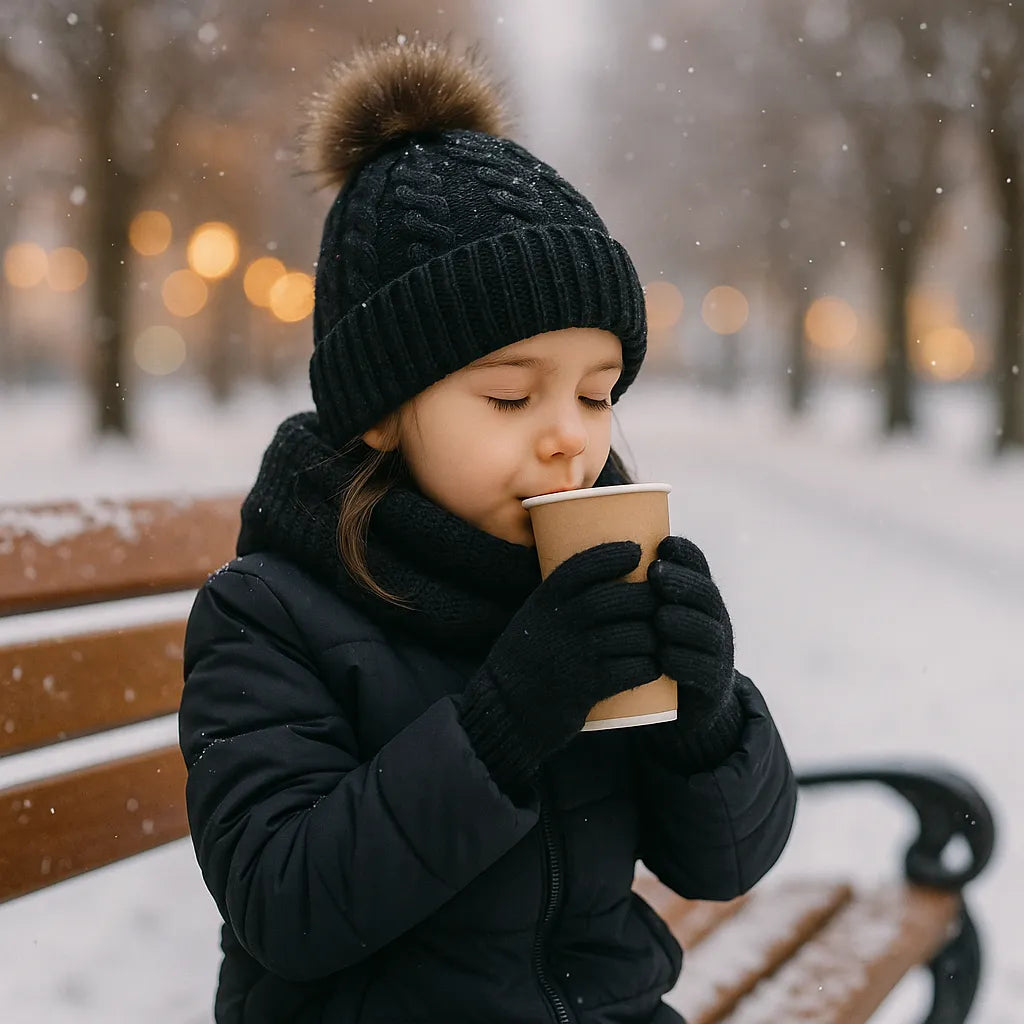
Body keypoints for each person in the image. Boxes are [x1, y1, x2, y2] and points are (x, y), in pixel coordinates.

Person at [179, 36, 797, 1024]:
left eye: (596, 395)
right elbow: (284, 905)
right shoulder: (270, 614)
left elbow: (724, 864)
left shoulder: (591, 579)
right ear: (381, 411)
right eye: (512, 396)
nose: (569, 437)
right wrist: (500, 725)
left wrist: (707, 718)